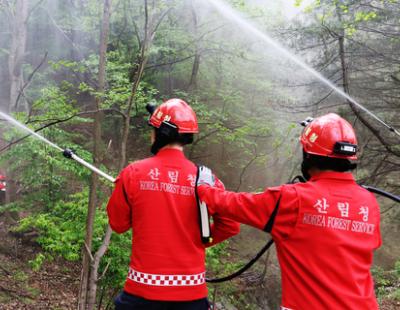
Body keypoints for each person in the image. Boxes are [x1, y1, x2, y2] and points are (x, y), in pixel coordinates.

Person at [196, 113, 381, 309]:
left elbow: (234, 204)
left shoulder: (293, 199)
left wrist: (203, 187)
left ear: (308, 156)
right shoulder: (369, 202)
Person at [107, 98, 240, 310]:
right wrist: (198, 240)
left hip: (141, 295)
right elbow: (231, 226)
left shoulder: (133, 173)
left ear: (160, 134)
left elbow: (118, 224)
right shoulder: (206, 178)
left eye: (153, 130)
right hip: (192, 298)